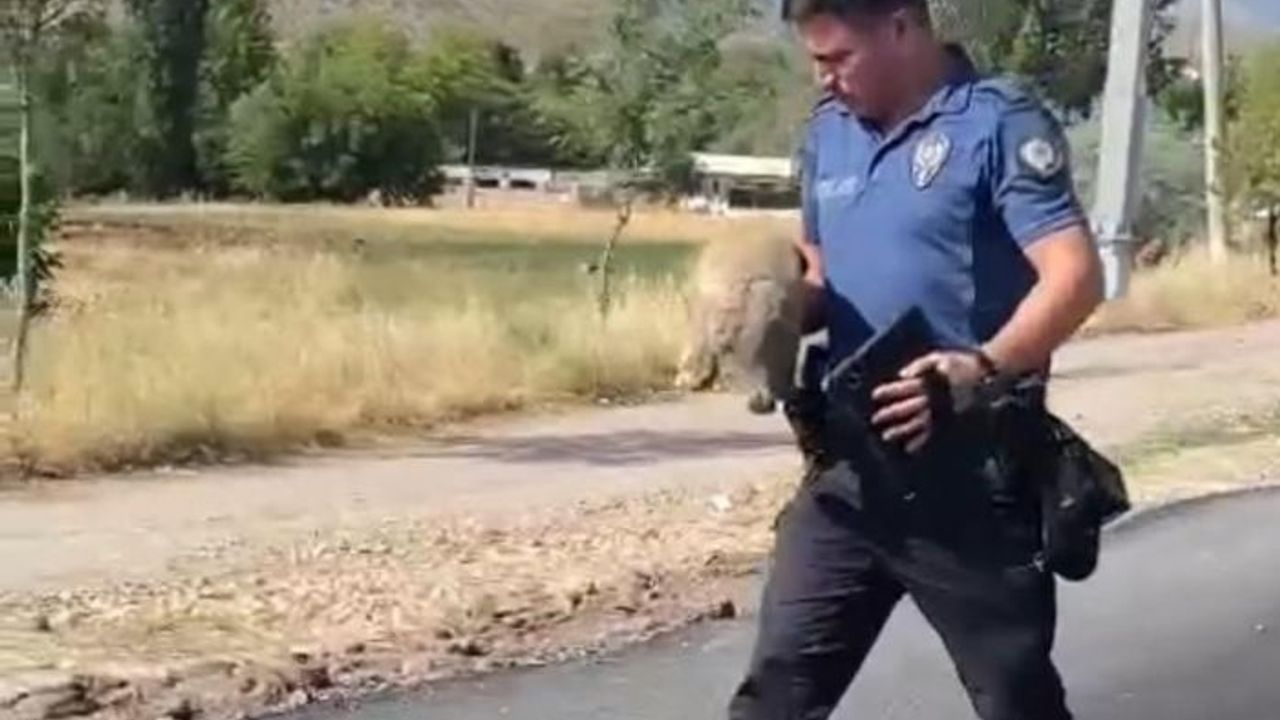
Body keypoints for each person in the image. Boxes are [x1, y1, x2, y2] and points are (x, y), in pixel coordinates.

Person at [728, 1, 1106, 719]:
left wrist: (982, 367)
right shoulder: (829, 133)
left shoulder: (997, 123)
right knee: (777, 689)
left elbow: (1076, 276)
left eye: (838, 58)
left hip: (966, 467)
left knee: (1014, 697)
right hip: (851, 467)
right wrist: (764, 311)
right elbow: (823, 269)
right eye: (816, 60)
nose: (824, 77)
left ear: (901, 27)